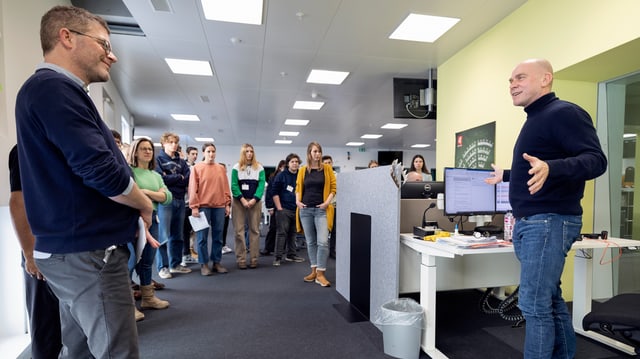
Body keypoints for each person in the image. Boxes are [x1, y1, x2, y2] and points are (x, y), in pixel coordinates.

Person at [15, 5, 155, 357]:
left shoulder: (53, 91)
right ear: (67, 37)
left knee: (79, 349)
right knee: (115, 350)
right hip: (88, 254)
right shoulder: (53, 89)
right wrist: (144, 202)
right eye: (104, 45)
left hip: (77, 251)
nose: (113, 56)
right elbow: (100, 169)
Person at [485, 58, 607, 358]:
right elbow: (540, 166)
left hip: (549, 221)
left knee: (534, 304)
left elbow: (596, 160)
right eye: (510, 80)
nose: (512, 84)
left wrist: (551, 167)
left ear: (545, 79)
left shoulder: (564, 113)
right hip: (534, 222)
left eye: (520, 77)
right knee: (550, 300)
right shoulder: (536, 118)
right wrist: (509, 176)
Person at [8, 145, 62, 359]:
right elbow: (18, 202)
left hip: (73, 247)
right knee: (45, 326)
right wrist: (30, 254)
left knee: (78, 329)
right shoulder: (24, 149)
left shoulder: (69, 143)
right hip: (42, 249)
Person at [127, 138, 171, 318]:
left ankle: (148, 297)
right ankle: (128, 305)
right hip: (132, 218)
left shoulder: (156, 175)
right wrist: (155, 195)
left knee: (147, 260)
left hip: (152, 218)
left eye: (150, 149)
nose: (147, 152)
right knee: (129, 262)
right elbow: (130, 193)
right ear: (135, 152)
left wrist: (145, 192)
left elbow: (167, 197)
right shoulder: (129, 171)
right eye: (143, 149)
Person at [296, 142, 337, 287]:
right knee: (311, 242)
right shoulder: (302, 170)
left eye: (319, 151)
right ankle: (314, 270)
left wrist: (326, 203)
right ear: (309, 153)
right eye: (315, 151)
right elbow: (298, 187)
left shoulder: (326, 169)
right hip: (305, 210)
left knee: (323, 242)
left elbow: (333, 188)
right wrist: (297, 202)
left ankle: (321, 273)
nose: (317, 154)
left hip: (321, 210)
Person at [189, 143, 231, 276]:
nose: (211, 154)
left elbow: (225, 187)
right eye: (208, 151)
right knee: (202, 237)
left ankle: (216, 262)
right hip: (203, 207)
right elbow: (192, 189)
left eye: (213, 151)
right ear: (203, 153)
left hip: (219, 206)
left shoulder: (220, 169)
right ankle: (204, 264)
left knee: (218, 237)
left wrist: (227, 204)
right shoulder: (197, 168)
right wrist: (194, 206)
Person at [155, 131, 192, 278]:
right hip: (165, 201)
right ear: (164, 143)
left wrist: (170, 177)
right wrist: (178, 177)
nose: (174, 145)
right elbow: (160, 180)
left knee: (178, 235)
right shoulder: (158, 159)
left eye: (176, 142)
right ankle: (162, 267)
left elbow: (186, 180)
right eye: (170, 142)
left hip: (180, 200)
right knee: (163, 235)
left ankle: (175, 264)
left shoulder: (182, 162)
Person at [231, 143, 266, 269]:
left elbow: (261, 185)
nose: (249, 153)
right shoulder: (236, 167)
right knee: (239, 231)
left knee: (254, 230)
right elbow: (234, 185)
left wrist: (254, 199)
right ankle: (241, 259)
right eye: (247, 151)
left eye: (251, 151)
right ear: (243, 153)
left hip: (254, 202)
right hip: (239, 202)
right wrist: (243, 200)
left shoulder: (259, 168)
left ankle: (254, 258)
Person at [272, 153, 305, 266]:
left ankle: (291, 255)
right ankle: (277, 257)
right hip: (284, 209)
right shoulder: (281, 175)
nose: (295, 163)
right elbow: (274, 192)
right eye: (292, 162)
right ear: (288, 164)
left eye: (296, 161)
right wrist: (279, 208)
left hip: (296, 210)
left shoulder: (301, 175)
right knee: (282, 233)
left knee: (293, 233)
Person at [261, 159, 286, 256]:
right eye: (283, 167)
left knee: (284, 229)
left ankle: (282, 249)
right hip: (275, 207)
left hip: (286, 206)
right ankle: (268, 248)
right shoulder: (273, 178)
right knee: (273, 228)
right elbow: (269, 194)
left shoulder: (289, 178)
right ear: (279, 168)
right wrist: (270, 207)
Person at [182, 146, 199, 265]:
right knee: (184, 231)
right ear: (187, 154)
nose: (195, 156)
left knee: (193, 231)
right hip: (184, 202)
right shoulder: (184, 167)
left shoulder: (197, 167)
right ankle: (183, 255)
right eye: (193, 153)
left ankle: (189, 253)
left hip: (194, 204)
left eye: (196, 154)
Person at [322, 155, 338, 259]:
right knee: (323, 230)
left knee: (335, 231)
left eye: (329, 162)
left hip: (335, 207)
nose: (328, 164)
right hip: (324, 207)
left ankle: (332, 251)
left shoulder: (337, 176)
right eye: (325, 163)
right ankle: (322, 252)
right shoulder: (320, 175)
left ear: (332, 163)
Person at [219, 163, 233, 254]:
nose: (225, 171)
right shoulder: (218, 180)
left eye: (225, 169)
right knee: (219, 228)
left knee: (225, 227)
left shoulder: (225, 180)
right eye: (223, 169)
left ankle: (223, 245)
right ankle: (219, 246)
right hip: (219, 206)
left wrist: (228, 205)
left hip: (226, 206)